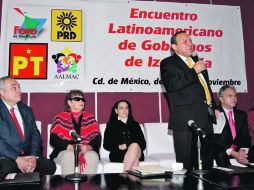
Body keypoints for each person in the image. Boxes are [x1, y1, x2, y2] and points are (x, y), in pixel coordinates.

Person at [160, 30, 217, 171]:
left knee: (206, 164)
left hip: (206, 118)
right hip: (185, 120)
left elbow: (205, 87)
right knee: (185, 166)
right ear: (174, 47)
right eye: (184, 41)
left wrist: (213, 106)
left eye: (190, 40)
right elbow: (171, 85)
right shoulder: (168, 63)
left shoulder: (196, 61)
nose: (189, 44)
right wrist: (193, 71)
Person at [0, 76, 56, 180]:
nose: (19, 90)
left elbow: (36, 136)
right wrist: (16, 159)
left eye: (19, 87)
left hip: (27, 157)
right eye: (14, 88)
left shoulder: (26, 110)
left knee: (49, 166)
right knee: (4, 167)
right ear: (2, 92)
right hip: (6, 157)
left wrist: (33, 156)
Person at [50, 90, 101, 174]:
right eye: (77, 99)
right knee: (70, 155)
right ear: (69, 103)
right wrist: (68, 146)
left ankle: (86, 186)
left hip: (85, 151)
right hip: (64, 152)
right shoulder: (60, 117)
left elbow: (97, 138)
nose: (81, 101)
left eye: (82, 99)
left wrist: (88, 147)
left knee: (93, 156)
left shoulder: (90, 118)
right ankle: (68, 186)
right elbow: (53, 140)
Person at [213, 85, 251, 166]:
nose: (233, 98)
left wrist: (242, 152)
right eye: (229, 96)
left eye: (234, 95)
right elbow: (217, 139)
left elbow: (245, 136)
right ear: (221, 99)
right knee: (221, 156)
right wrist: (233, 153)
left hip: (237, 149)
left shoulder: (241, 115)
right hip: (221, 149)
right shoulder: (216, 113)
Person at [103, 99, 146, 172]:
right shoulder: (111, 125)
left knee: (135, 145)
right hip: (118, 154)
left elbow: (143, 144)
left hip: (137, 151)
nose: (124, 110)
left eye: (126, 108)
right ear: (116, 111)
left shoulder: (135, 124)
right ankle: (132, 180)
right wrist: (118, 146)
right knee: (134, 158)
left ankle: (124, 173)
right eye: (121, 108)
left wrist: (128, 145)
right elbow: (106, 145)